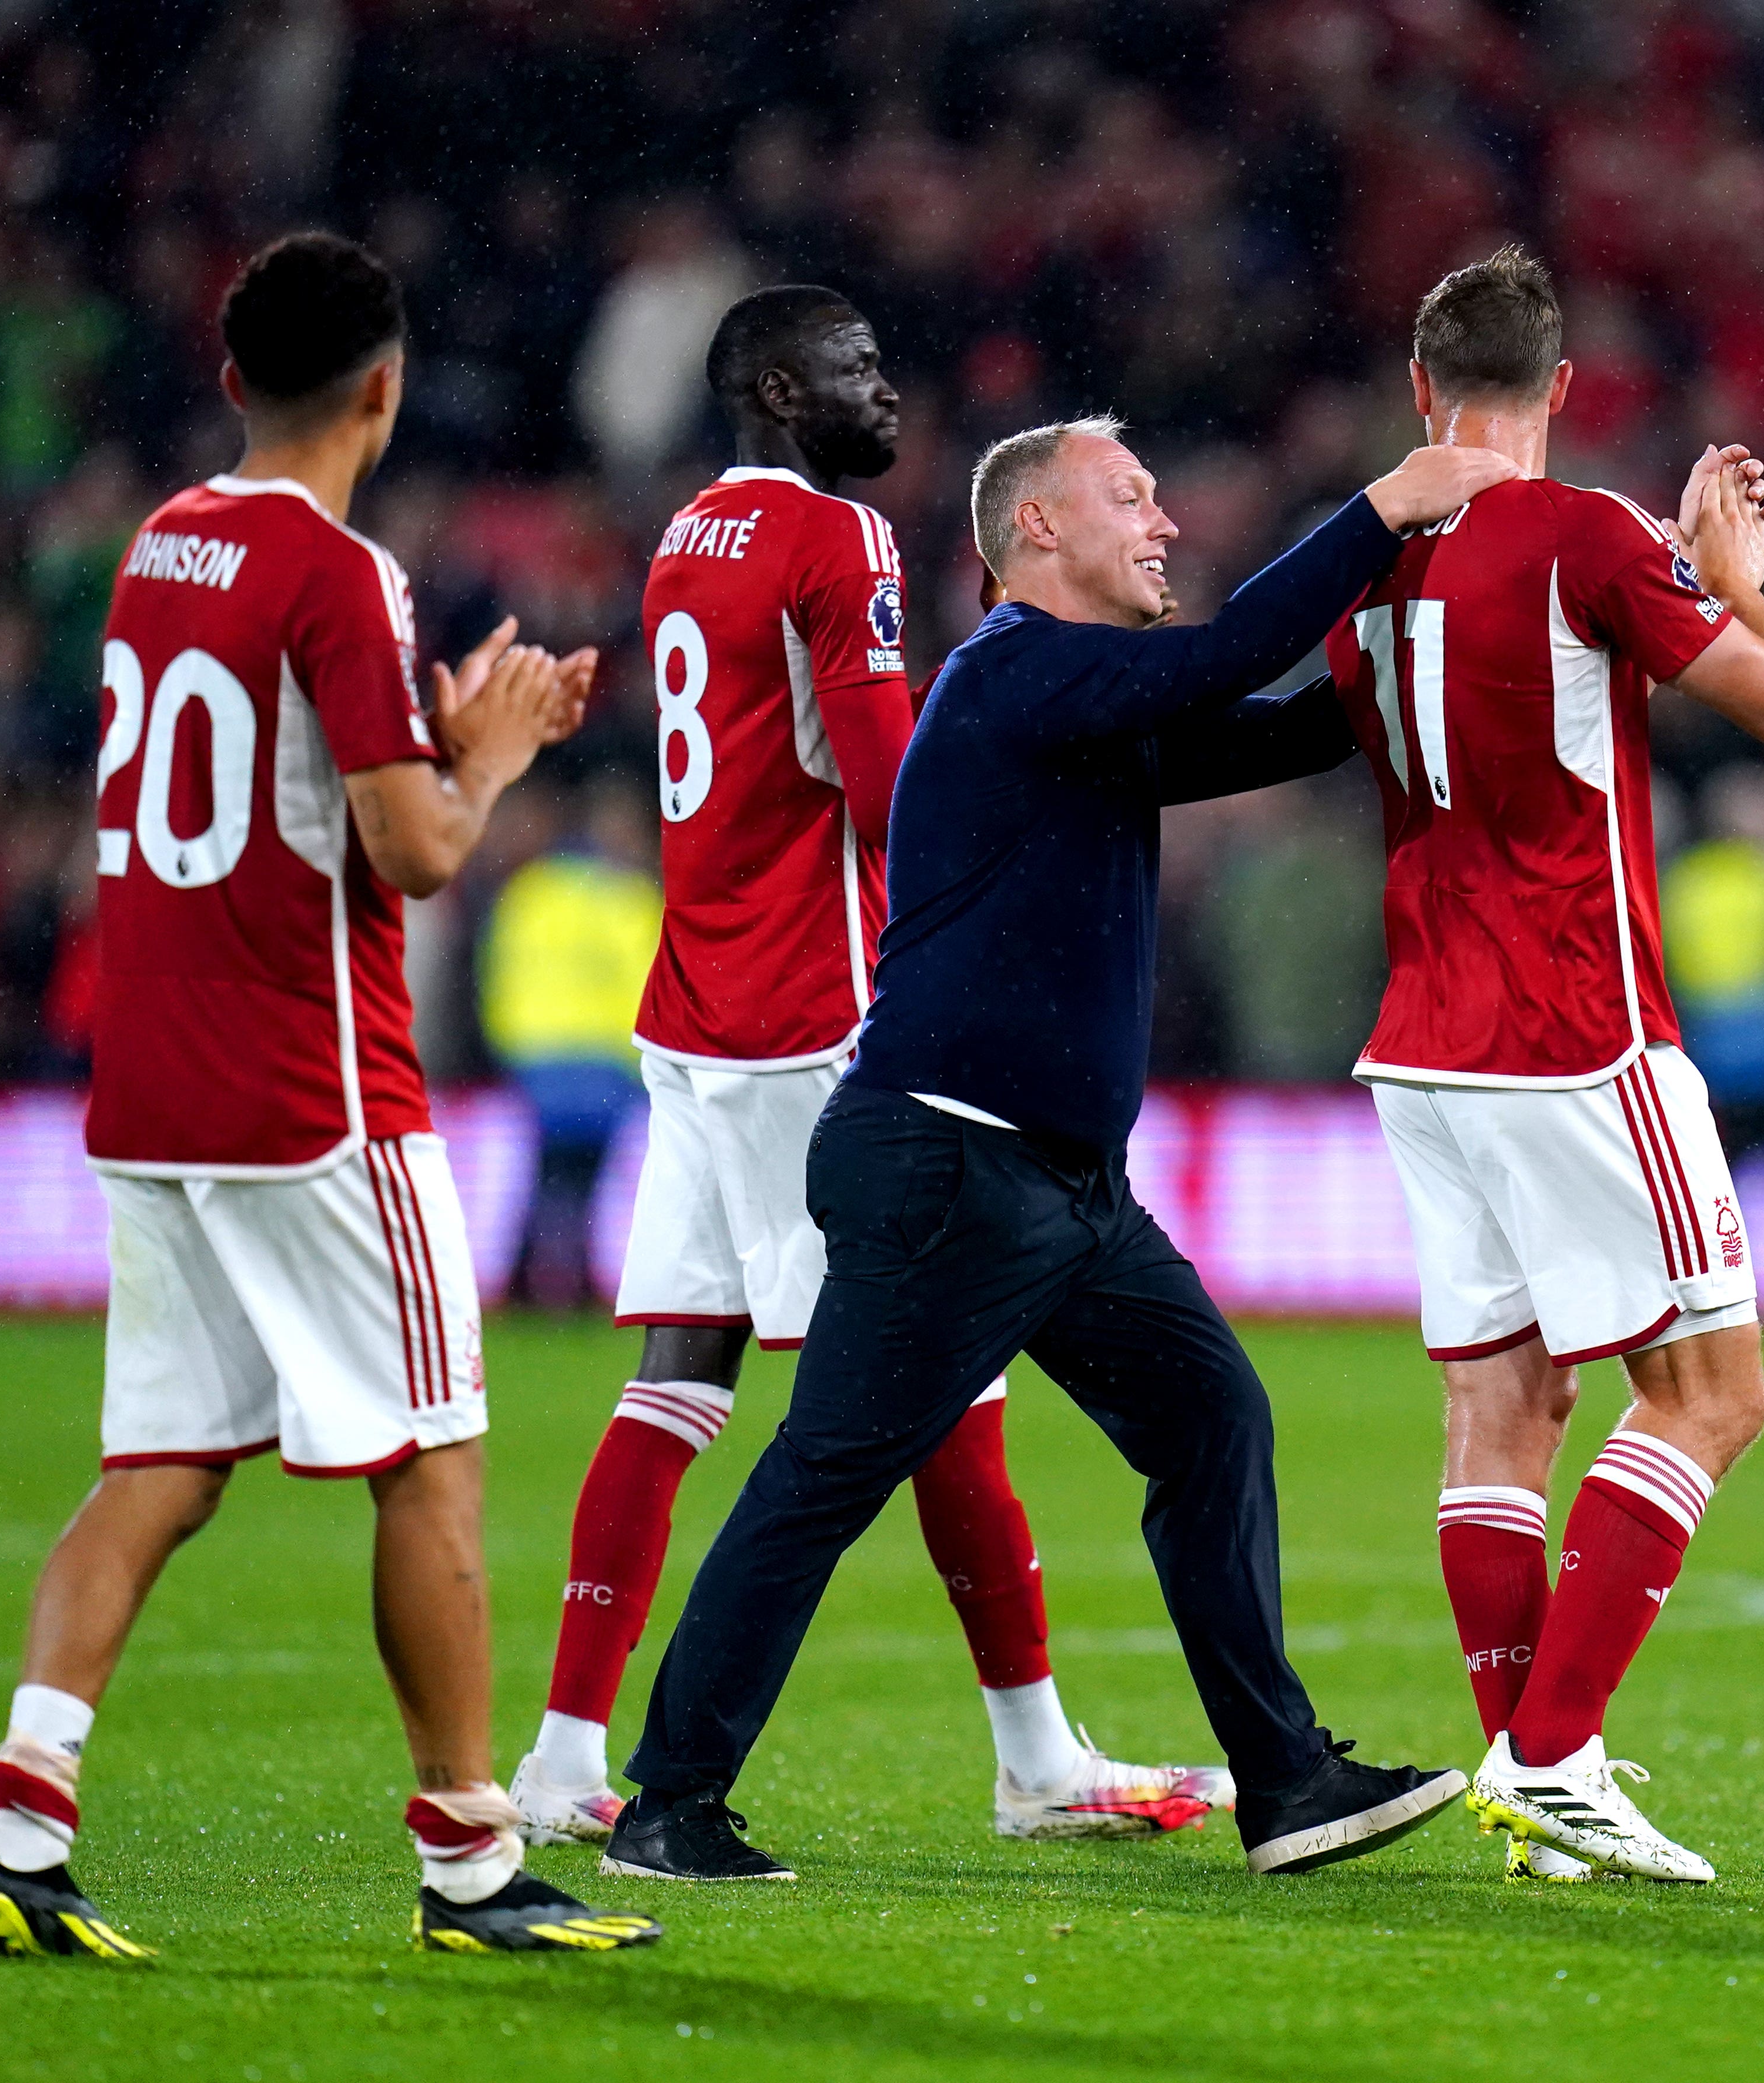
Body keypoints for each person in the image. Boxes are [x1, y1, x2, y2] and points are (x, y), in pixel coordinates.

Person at [601, 417, 1518, 1883]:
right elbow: (1224, 664)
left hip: (1066, 1192)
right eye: (1131, 494)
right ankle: (668, 1803)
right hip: (949, 1168)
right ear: (1036, 527)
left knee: (1209, 1422)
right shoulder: (1011, 674)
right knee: (820, 1478)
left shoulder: (1077, 706)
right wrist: (1380, 515)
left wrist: (1415, 648)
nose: (1163, 517)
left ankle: (1283, 1780)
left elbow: (1275, 722)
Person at [0, 233, 660, 1960]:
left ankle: (19, 1828)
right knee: (430, 1458)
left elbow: (279, 775)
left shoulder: (155, 545)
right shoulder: (338, 568)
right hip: (312, 1087)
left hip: (152, 1083)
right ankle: (473, 1866)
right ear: (384, 389)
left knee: (163, 1463)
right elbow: (409, 849)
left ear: (225, 381)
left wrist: (436, 734)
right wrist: (489, 750)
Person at [510, 287, 1230, 1851]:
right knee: (938, 1384)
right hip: (812, 1017)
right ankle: (1035, 1760)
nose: (886, 396)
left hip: (694, 1005)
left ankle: (566, 1754)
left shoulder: (686, 533)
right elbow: (890, 786)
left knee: (677, 1378)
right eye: (855, 373)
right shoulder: (838, 540)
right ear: (779, 388)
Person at [1316, 249, 1764, 1884]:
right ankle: (1547, 1759)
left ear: (1419, 391)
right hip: (1575, 1031)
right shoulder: (1591, 536)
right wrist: (1729, 572)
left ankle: (1531, 1776)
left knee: (1498, 1412)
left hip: (1421, 1040)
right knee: (1711, 1393)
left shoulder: (1366, 563)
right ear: (1563, 387)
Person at [476, 775, 659, 1308]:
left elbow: (499, 974)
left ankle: (535, 1282)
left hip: (537, 1062)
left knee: (546, 1178)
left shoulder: (531, 891)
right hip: (606, 1063)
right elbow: (647, 983)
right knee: (591, 1180)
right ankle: (577, 1283)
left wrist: (509, 1048)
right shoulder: (631, 897)